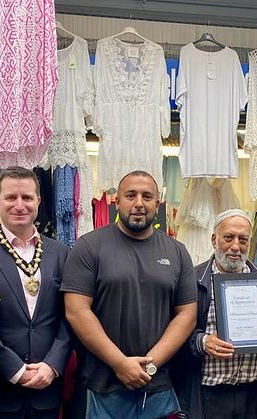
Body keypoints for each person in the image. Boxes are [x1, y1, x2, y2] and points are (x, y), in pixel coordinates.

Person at [61, 170, 197, 418]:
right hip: (102, 386)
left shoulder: (177, 252)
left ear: (157, 203)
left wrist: (151, 364)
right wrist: (120, 363)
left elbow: (187, 314)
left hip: (158, 387)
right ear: (117, 201)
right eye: (130, 195)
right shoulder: (89, 246)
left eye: (147, 197)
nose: (138, 204)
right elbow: (77, 311)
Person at [0, 166, 71, 419]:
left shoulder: (61, 253)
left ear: (38, 201)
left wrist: (53, 365)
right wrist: (15, 369)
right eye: (11, 197)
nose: (19, 205)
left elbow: (70, 315)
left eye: (27, 197)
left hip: (46, 388)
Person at [173, 209, 257, 419]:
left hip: (253, 392)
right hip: (208, 394)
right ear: (214, 239)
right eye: (228, 238)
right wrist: (202, 341)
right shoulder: (192, 280)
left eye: (243, 240)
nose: (236, 246)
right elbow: (174, 331)